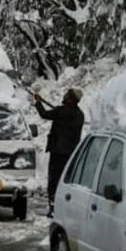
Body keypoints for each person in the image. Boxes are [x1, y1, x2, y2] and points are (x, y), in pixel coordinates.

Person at [33, 88, 85, 218]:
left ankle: (53, 207)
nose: (64, 96)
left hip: (57, 151)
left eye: (67, 95)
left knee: (54, 181)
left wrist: (38, 102)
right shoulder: (79, 114)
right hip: (71, 153)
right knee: (67, 181)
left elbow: (44, 114)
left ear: (71, 99)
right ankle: (66, 208)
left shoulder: (61, 111)